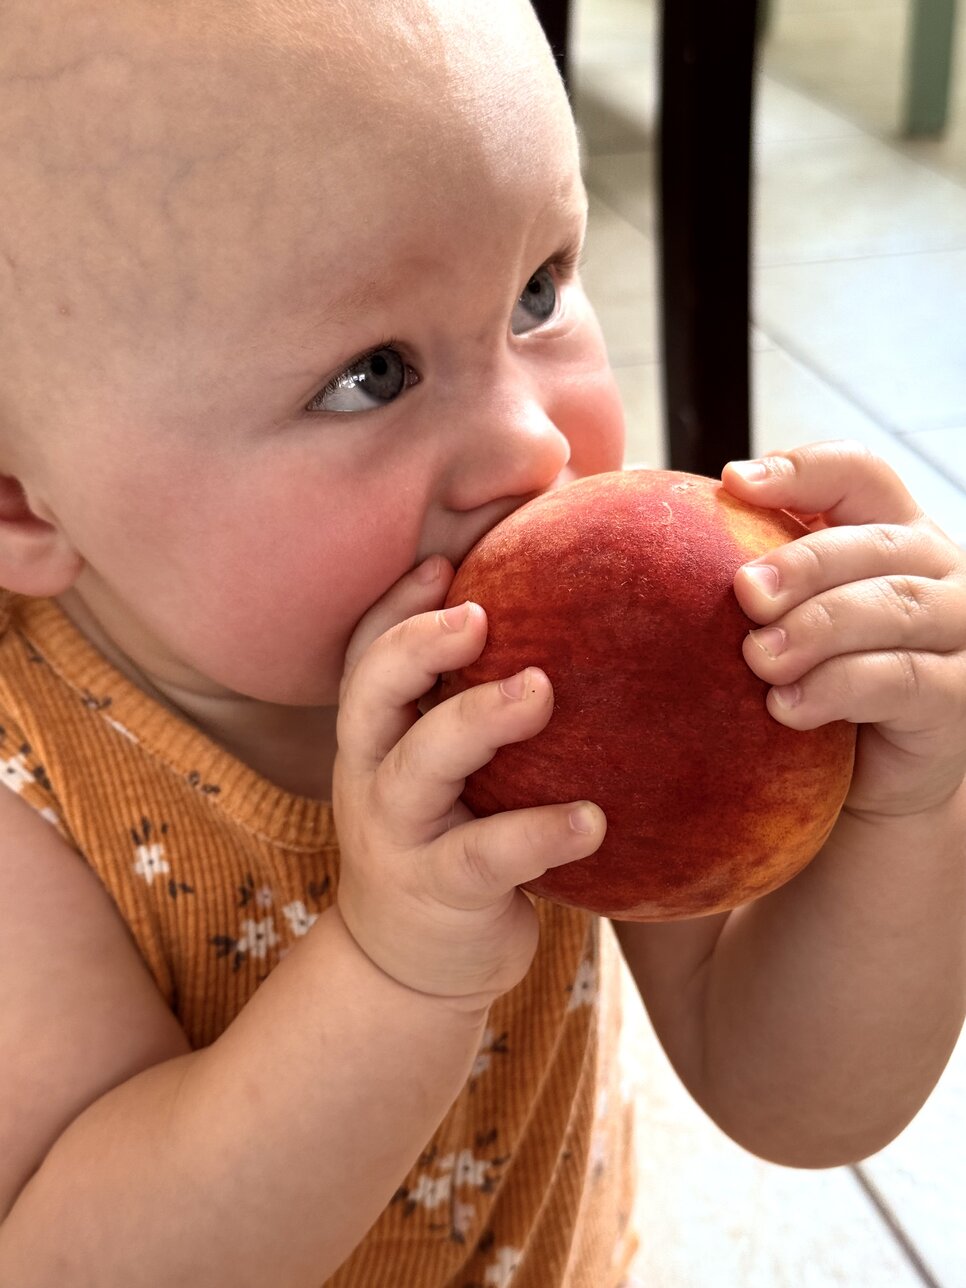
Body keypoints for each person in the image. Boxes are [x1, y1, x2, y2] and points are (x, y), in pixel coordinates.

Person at [0, 1, 963, 1284]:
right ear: (25, 500)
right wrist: (399, 974)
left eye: (538, 290)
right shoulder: (33, 802)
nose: (535, 446)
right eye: (369, 375)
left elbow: (791, 1098)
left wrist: (913, 811)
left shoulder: (555, 692)